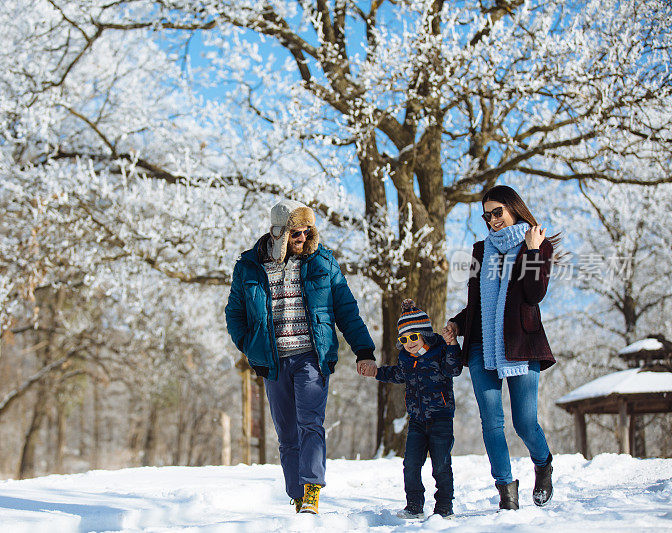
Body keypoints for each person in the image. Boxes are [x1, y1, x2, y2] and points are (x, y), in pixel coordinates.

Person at [225, 199, 375, 514]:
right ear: (278, 231)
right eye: (296, 232)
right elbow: (234, 314)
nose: (303, 238)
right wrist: (251, 346)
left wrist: (364, 350)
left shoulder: (322, 262)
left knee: (311, 423)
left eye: (308, 231)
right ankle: (296, 495)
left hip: (311, 357)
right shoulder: (249, 267)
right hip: (274, 362)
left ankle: (311, 490)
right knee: (287, 433)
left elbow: (346, 309)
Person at [443, 185, 558, 510]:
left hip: (521, 344)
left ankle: (543, 464)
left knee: (524, 422)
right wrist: (457, 324)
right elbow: (478, 305)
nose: (492, 219)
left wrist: (533, 251)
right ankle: (507, 493)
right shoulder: (481, 251)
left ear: (513, 209)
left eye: (498, 212)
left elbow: (534, 295)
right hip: (481, 345)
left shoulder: (537, 244)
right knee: (491, 422)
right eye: (487, 214)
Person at [360, 299, 462, 519]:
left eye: (413, 336)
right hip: (416, 420)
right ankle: (414, 505)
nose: (409, 342)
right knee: (411, 464)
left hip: (441, 418)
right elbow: (397, 374)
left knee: (441, 464)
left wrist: (453, 345)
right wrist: (376, 372)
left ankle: (444, 506)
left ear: (424, 334)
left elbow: (454, 369)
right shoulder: (407, 358)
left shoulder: (440, 350)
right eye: (404, 339)